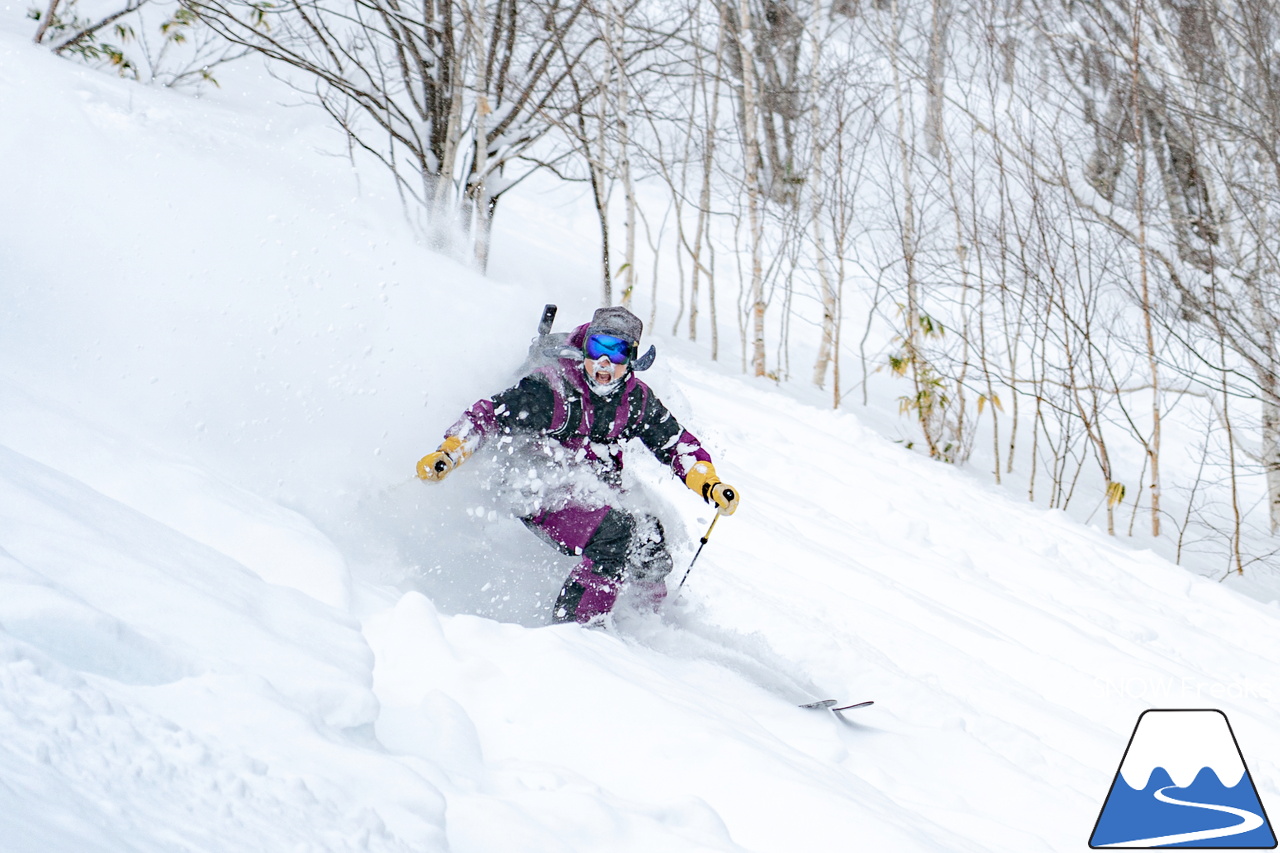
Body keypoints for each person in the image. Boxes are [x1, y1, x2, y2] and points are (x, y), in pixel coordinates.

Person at [416, 306, 739, 624]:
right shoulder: (551, 390)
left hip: (586, 481)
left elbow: (676, 445)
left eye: (618, 352)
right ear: (583, 347)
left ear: (632, 359)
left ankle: (645, 622)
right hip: (532, 485)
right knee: (614, 533)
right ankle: (580, 635)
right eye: (598, 348)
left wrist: (708, 483)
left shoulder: (635, 400)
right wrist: (450, 453)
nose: (604, 363)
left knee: (649, 533)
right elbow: (486, 416)